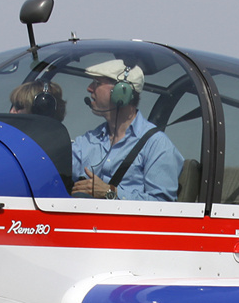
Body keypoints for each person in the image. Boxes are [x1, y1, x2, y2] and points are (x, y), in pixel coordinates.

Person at [71, 59, 183, 201]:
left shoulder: (157, 145)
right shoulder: (88, 140)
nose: (89, 88)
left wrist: (109, 193)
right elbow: (55, 168)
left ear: (121, 92)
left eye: (97, 83)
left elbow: (161, 206)